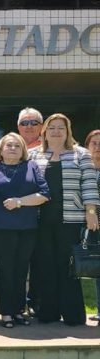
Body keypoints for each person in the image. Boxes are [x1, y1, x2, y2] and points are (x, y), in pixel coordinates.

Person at [29, 113, 99, 325]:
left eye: (61, 127)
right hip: (41, 220)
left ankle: (73, 315)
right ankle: (47, 312)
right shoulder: (34, 155)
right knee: (45, 265)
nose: (56, 131)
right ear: (44, 132)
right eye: (52, 128)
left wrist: (91, 212)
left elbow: (88, 184)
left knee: (68, 266)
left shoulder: (81, 154)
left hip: (71, 218)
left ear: (68, 131)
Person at [0, 133, 49, 328]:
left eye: (17, 146)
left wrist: (19, 202)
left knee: (20, 270)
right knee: (6, 270)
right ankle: (6, 313)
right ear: (0, 148)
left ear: (23, 150)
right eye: (9, 145)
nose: (13, 148)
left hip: (27, 228)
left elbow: (44, 195)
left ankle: (18, 311)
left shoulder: (31, 167)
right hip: (0, 229)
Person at [16, 107, 44, 316]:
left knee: (42, 264)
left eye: (33, 122)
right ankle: (19, 304)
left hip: (46, 217)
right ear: (18, 127)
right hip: (19, 218)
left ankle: (37, 302)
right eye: (25, 123)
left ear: (41, 127)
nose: (29, 126)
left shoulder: (48, 150)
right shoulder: (12, 149)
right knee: (19, 264)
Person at [84, 130, 100, 322]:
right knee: (97, 269)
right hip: (88, 224)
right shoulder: (83, 167)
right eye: (94, 143)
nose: (97, 147)